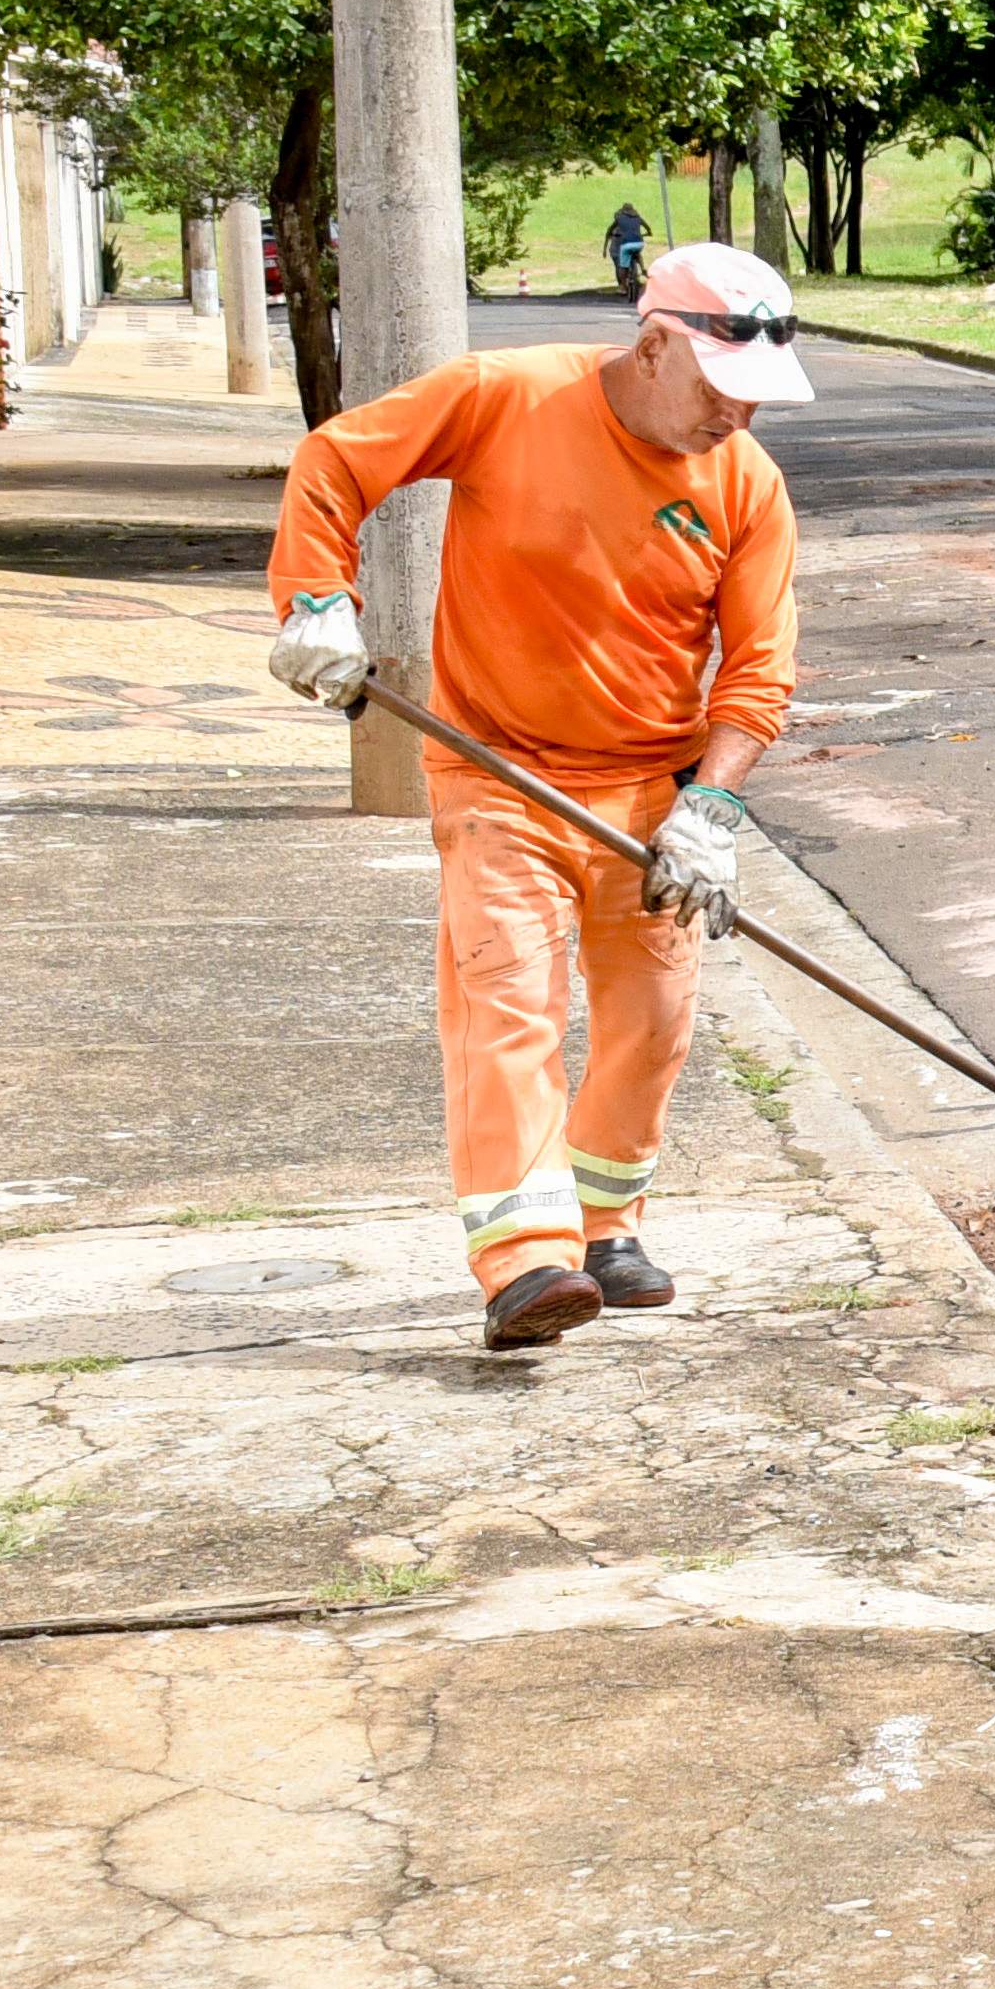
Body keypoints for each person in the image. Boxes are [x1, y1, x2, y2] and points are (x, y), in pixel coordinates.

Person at [266, 246, 806, 1351]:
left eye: (755, 400)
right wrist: (317, 598)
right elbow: (335, 461)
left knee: (653, 1025)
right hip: (496, 767)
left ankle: (606, 1226)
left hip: (648, 792)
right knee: (508, 1000)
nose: (735, 420)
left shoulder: (746, 482)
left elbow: (757, 668)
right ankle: (524, 1260)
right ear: (652, 343)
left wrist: (711, 809)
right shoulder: (506, 396)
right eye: (717, 390)